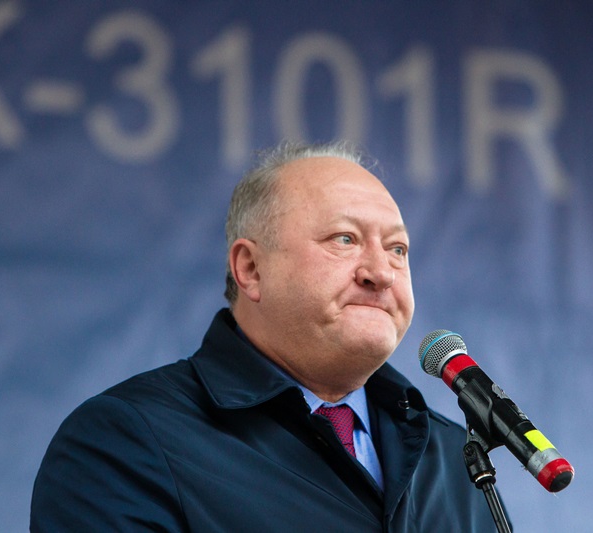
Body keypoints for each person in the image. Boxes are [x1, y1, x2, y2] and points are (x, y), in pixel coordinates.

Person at [30, 141, 502, 531]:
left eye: (397, 249)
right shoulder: (125, 441)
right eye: (344, 239)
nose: (381, 272)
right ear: (251, 269)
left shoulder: (455, 459)